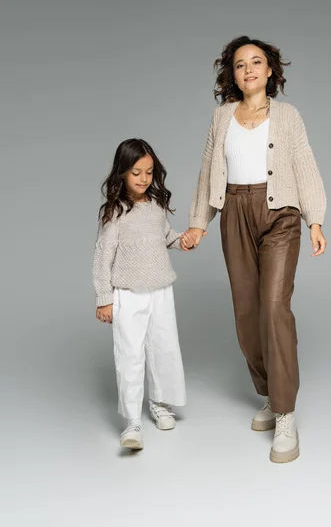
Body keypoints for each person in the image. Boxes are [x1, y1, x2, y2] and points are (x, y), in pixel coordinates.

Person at [183, 36, 327, 463]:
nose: (248, 69)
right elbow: (209, 168)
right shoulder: (221, 116)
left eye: (256, 62)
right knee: (247, 314)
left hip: (279, 212)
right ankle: (268, 392)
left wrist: (314, 218)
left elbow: (305, 164)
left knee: (274, 307)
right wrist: (197, 222)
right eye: (240, 64)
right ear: (233, 74)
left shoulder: (287, 116)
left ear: (270, 71)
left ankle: (285, 412)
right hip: (234, 212)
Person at [93, 139, 194, 451]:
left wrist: (183, 240)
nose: (143, 178)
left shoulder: (156, 205)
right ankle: (132, 421)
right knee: (130, 354)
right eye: (136, 172)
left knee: (163, 348)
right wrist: (104, 298)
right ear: (122, 173)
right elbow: (102, 256)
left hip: (161, 289)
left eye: (149, 172)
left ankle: (159, 403)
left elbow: (164, 238)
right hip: (128, 294)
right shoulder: (115, 212)